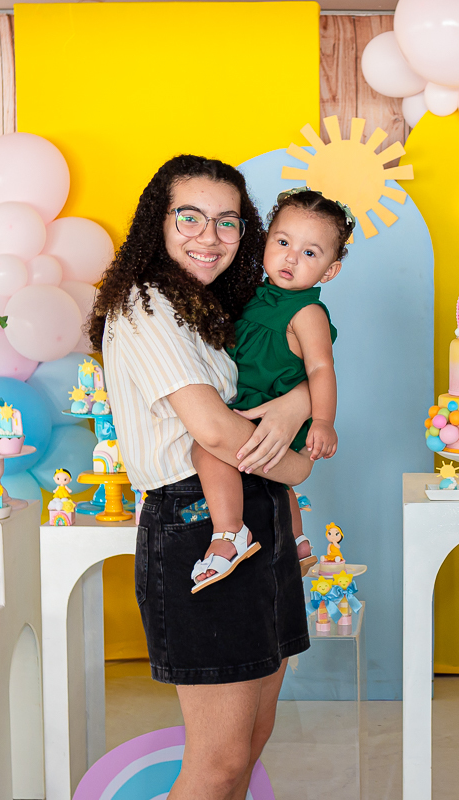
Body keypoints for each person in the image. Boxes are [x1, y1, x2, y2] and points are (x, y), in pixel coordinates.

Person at [90, 154, 313, 799]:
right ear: (156, 223)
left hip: (257, 508)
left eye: (228, 221)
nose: (209, 236)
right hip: (198, 523)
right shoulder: (145, 303)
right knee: (218, 759)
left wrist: (299, 403)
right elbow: (214, 429)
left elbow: (291, 386)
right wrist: (297, 463)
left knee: (252, 740)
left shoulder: (216, 308)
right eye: (189, 217)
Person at [190, 187, 354, 591]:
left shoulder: (307, 312)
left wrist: (323, 421)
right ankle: (297, 540)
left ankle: (230, 533)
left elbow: (321, 369)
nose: (291, 258)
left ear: (329, 271)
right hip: (249, 402)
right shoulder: (254, 297)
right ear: (265, 242)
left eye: (310, 253)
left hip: (268, 407)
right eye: (283, 243)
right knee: (271, 482)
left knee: (206, 449)